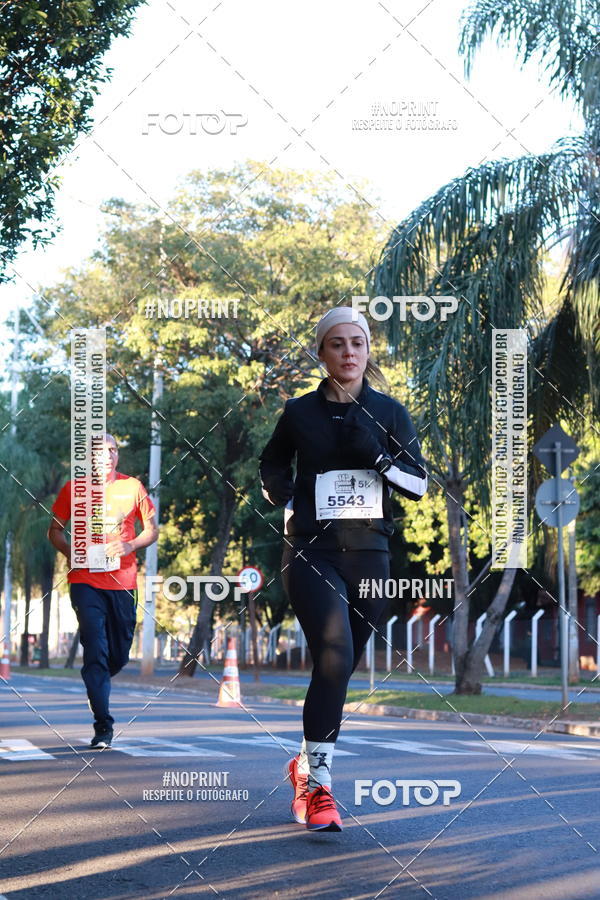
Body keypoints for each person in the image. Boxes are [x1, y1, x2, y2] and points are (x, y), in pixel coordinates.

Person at [259, 307, 428, 831]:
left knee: (343, 663)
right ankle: (320, 788)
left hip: (371, 553)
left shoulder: (390, 413)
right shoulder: (298, 413)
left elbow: (418, 485)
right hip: (313, 549)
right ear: (322, 352)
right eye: (337, 343)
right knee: (332, 654)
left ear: (368, 350)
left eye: (357, 342)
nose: (349, 352)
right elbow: (271, 465)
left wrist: (377, 458)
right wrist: (285, 498)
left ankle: (305, 764)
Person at [48, 434, 158, 749]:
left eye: (113, 450)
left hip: (123, 582)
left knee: (119, 655)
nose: (109, 455)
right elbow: (54, 529)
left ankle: (97, 684)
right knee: (95, 650)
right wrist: (70, 552)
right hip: (84, 581)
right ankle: (103, 725)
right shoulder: (73, 489)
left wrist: (129, 544)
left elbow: (152, 530)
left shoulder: (132, 487)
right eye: (101, 451)